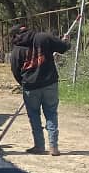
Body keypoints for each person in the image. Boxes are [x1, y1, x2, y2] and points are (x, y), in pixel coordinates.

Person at [9, 22, 71, 156]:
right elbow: (63, 48)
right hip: (50, 83)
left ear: (15, 35)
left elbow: (15, 70)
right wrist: (65, 41)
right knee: (51, 114)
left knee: (34, 116)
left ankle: (39, 145)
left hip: (30, 87)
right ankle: (53, 147)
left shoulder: (16, 50)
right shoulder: (44, 38)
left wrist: (24, 83)